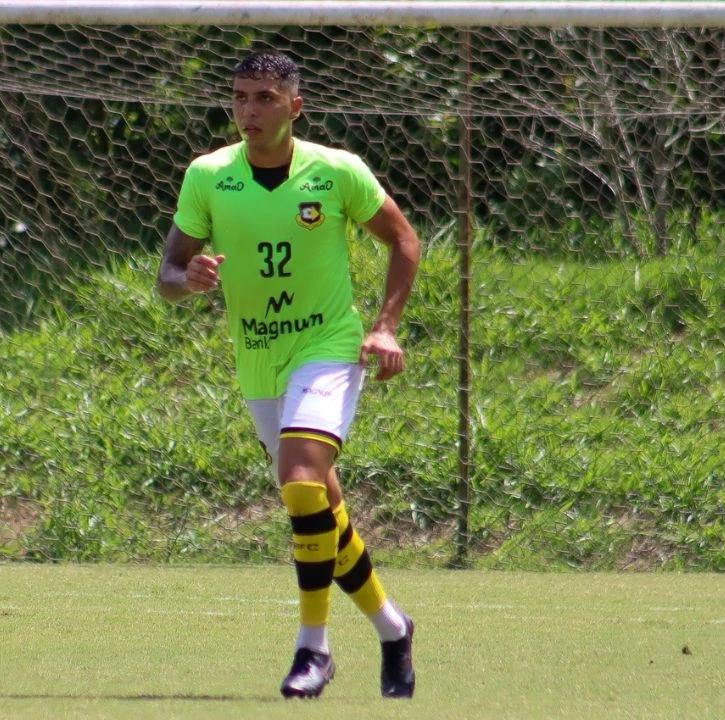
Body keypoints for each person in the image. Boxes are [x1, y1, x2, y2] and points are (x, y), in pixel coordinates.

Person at [156, 50, 421, 699]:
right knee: (319, 504)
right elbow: (167, 275)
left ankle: (313, 649)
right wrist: (189, 280)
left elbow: (404, 240)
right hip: (258, 358)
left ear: (295, 106)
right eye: (240, 97)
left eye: (265, 98)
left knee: (298, 480)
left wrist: (385, 326)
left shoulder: (336, 171)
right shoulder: (208, 176)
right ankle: (393, 628)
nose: (249, 110)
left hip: (326, 346)